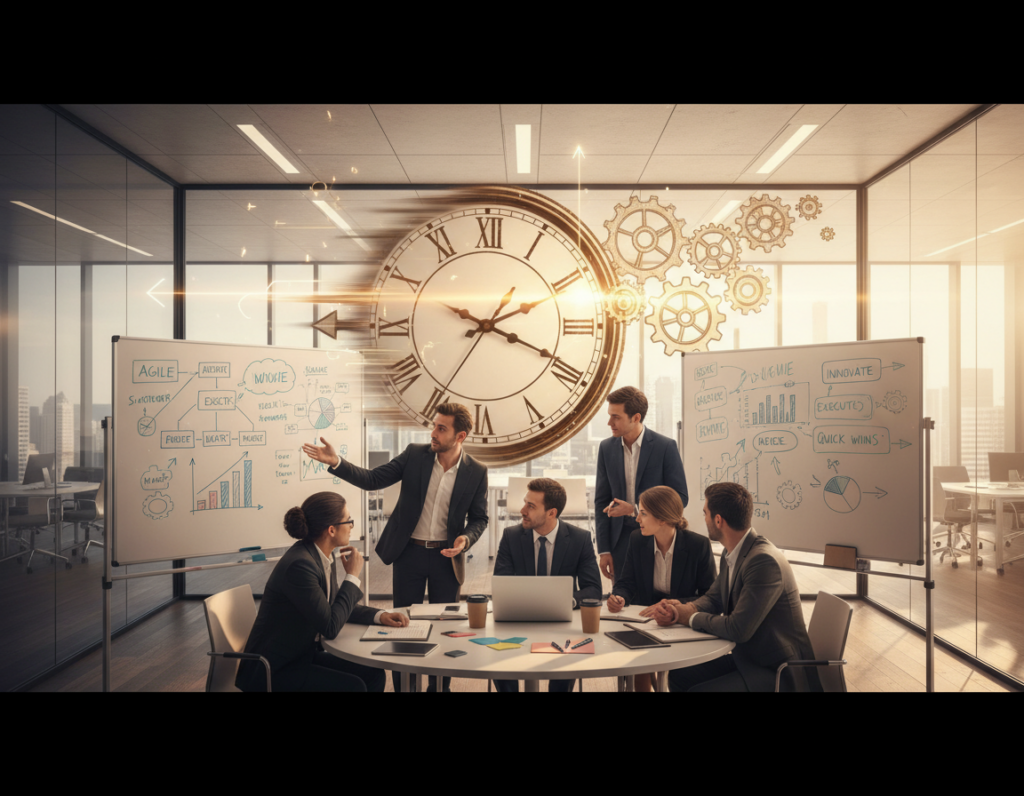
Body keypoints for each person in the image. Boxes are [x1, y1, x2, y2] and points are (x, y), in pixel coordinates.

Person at [302, 402, 487, 692]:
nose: (433, 433)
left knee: (447, 628)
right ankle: (404, 688)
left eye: (441, 428)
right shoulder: (415, 455)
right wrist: (336, 462)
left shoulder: (476, 471)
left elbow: (479, 517)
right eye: (434, 426)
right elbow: (373, 479)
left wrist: (466, 538)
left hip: (446, 558)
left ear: (460, 436)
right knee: (402, 626)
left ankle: (440, 687)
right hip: (409, 553)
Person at [650, 482, 820, 692]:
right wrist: (683, 610)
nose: (703, 519)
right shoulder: (732, 552)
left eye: (705, 513)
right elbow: (713, 598)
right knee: (679, 676)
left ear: (718, 520)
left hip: (778, 670)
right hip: (749, 659)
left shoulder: (763, 561)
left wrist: (689, 617)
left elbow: (738, 629)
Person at [236, 491, 409, 692]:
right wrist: (352, 576)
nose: (352, 526)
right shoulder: (300, 566)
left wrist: (380, 616)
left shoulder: (321, 556)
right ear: (331, 530)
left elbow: (335, 605)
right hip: (274, 670)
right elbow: (330, 626)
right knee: (354, 687)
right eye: (348, 520)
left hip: (300, 656)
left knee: (373, 674)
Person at [492, 478, 602, 692]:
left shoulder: (580, 539)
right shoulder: (511, 536)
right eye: (525, 503)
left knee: (562, 677)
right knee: (502, 667)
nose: (522, 510)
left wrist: (564, 602)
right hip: (518, 621)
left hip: (562, 625)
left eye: (531, 506)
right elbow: (501, 584)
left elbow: (594, 590)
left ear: (552, 513)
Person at [606, 485, 716, 691]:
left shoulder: (697, 545)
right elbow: (626, 582)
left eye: (643, 514)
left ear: (663, 518)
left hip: (683, 623)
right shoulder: (637, 539)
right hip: (646, 622)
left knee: (678, 674)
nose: (637, 519)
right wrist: (619, 597)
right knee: (638, 665)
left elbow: (709, 596)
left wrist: (672, 607)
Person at [594, 385, 688, 588]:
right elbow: (601, 501)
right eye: (610, 415)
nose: (609, 422)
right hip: (619, 542)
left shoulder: (665, 447)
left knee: (651, 601)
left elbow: (680, 497)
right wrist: (604, 550)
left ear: (636, 417)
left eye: (616, 417)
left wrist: (635, 510)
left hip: (656, 539)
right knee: (620, 601)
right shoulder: (606, 448)